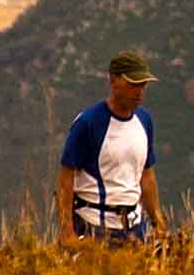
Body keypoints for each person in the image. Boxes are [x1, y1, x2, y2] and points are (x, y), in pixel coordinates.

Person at [58, 50, 168, 245]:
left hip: (135, 229)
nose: (139, 91)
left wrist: (157, 221)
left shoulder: (145, 120)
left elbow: (146, 175)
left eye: (143, 85)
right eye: (133, 84)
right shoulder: (88, 123)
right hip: (93, 228)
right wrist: (67, 229)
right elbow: (66, 179)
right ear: (114, 80)